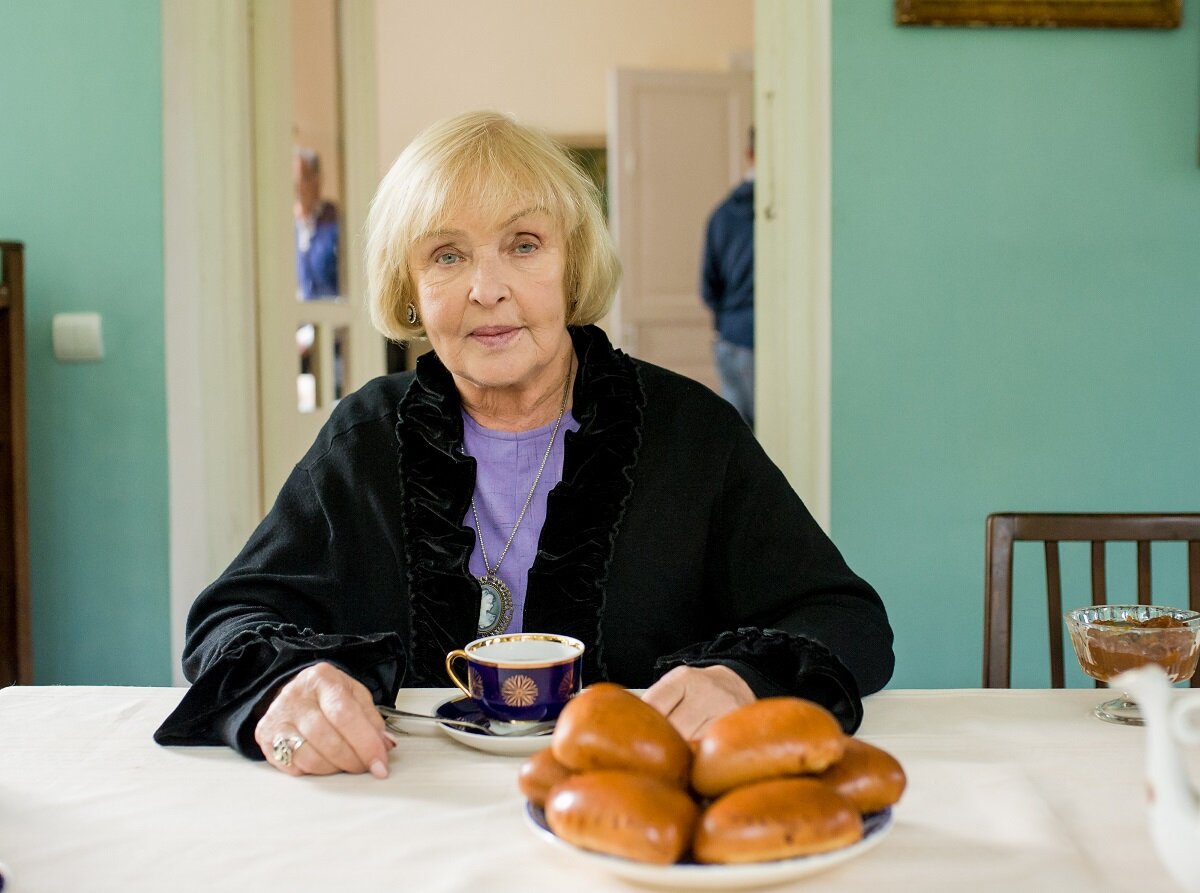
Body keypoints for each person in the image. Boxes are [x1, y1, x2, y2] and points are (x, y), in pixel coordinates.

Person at [155, 111, 893, 778]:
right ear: (410, 289)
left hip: (629, 803)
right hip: (407, 810)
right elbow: (227, 620)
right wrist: (291, 688)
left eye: (524, 244)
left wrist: (740, 678)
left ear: (571, 266)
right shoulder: (366, 438)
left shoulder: (691, 431)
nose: (488, 287)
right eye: (446, 255)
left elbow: (844, 618)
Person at [701, 128, 755, 429]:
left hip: (730, 342)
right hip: (760, 343)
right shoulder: (784, 213)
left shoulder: (722, 215)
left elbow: (708, 287)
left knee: (739, 448)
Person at [293, 147, 340, 299]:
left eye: (302, 179)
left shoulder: (333, 223)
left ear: (317, 181)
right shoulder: (289, 229)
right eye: (293, 180)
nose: (297, 187)